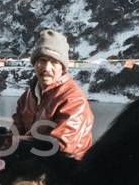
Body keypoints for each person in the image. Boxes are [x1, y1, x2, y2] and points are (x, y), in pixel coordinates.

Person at [10, 29, 94, 160]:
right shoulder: (28, 96)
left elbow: (59, 147)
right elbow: (15, 130)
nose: (47, 68)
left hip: (68, 170)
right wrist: (0, 144)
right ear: (35, 64)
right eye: (42, 60)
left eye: (54, 62)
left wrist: (15, 142)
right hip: (34, 161)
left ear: (63, 67)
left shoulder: (73, 99)